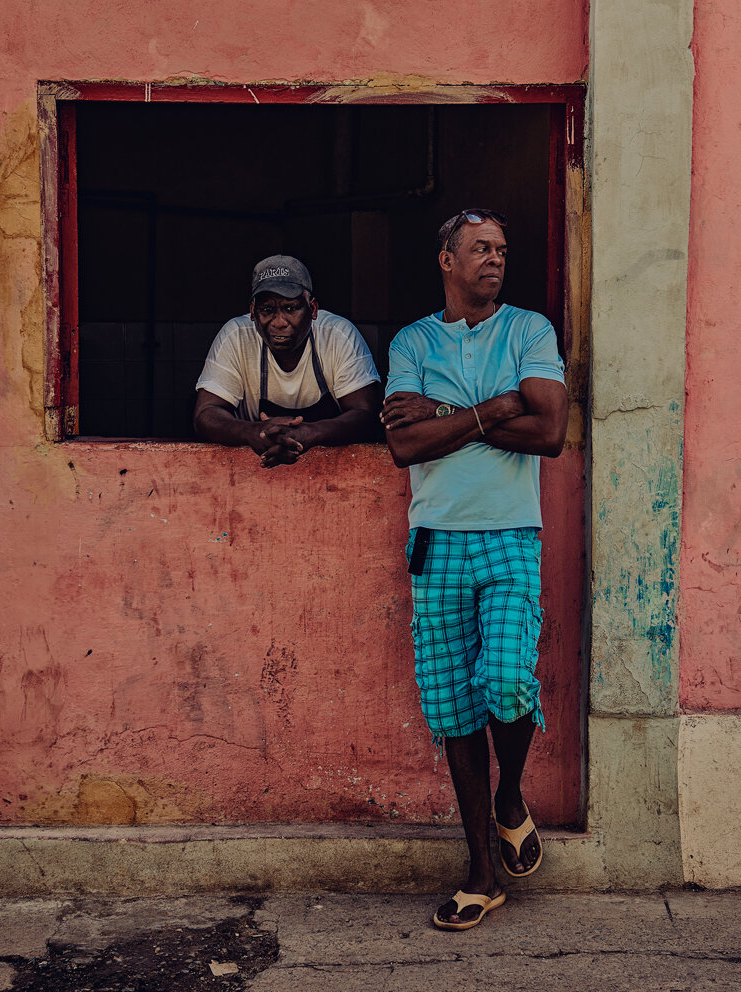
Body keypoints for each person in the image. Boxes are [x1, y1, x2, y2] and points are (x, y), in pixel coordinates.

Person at [380, 209, 567, 931]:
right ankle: (481, 871)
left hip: (512, 534)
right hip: (436, 539)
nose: (494, 258)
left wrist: (447, 413)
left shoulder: (529, 330)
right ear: (447, 260)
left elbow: (549, 431)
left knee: (507, 680)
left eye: (502, 249)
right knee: (455, 709)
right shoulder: (412, 340)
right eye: (479, 248)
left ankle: (510, 795)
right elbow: (405, 444)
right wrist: (495, 408)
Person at [194, 255, 382, 467]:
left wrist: (310, 433)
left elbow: (365, 415)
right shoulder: (236, 336)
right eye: (267, 310)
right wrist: (252, 432)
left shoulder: (338, 334)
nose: (279, 322)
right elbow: (205, 414)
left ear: (312, 309)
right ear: (253, 312)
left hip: (332, 471)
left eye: (290, 308)